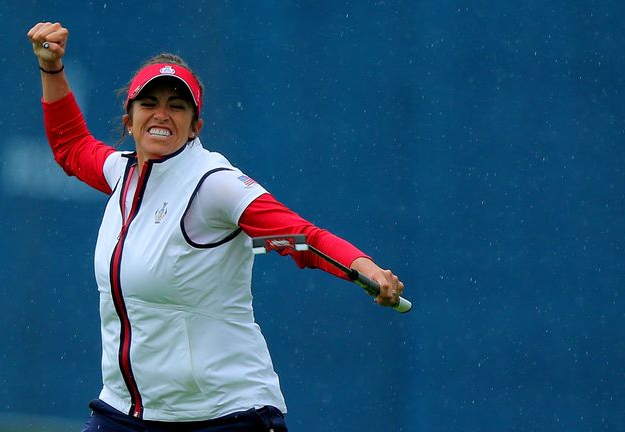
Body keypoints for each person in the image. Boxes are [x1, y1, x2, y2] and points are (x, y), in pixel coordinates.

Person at [27, 21, 405, 432]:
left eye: (177, 106)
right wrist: (52, 69)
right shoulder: (122, 174)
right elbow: (70, 146)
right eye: (149, 102)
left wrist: (362, 267)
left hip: (226, 416)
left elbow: (303, 238)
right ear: (129, 119)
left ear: (196, 127)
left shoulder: (215, 185)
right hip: (129, 415)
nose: (162, 114)